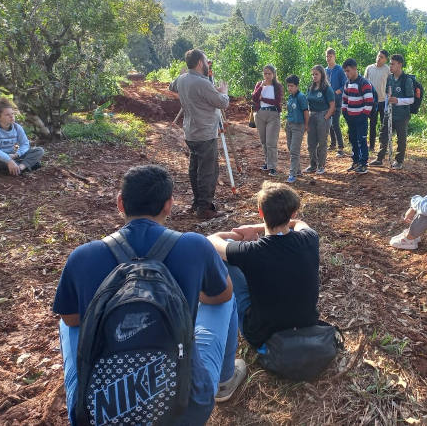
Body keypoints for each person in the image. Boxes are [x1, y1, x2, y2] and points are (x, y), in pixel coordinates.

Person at [52, 165, 246, 424]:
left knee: (67, 323)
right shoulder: (194, 246)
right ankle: (224, 381)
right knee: (225, 293)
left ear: (120, 203)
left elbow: (71, 319)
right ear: (169, 205)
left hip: (98, 415)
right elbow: (219, 297)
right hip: (184, 410)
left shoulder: (82, 257)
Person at [206, 181, 320, 353]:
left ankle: (215, 306)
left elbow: (211, 240)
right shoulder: (310, 238)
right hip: (306, 324)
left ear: (260, 212)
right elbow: (297, 223)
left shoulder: (251, 252)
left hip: (262, 335)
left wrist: (242, 233)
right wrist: (256, 229)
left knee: (223, 253)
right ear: (293, 211)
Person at [169, 49, 230, 219]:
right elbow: (222, 103)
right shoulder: (202, 83)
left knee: (195, 168)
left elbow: (172, 86)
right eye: (205, 60)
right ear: (199, 63)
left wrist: (211, 91)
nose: (207, 64)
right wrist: (223, 91)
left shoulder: (183, 79)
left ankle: (197, 202)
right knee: (207, 171)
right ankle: (204, 207)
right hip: (205, 133)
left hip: (191, 132)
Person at [369, 54, 414, 169]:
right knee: (383, 134)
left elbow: (411, 99)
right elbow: (387, 95)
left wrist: (398, 100)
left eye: (392, 64)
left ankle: (399, 161)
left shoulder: (406, 80)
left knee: (401, 138)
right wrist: (387, 106)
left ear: (400, 64)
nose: (390, 66)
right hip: (389, 112)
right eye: (390, 64)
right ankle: (380, 158)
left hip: (402, 115)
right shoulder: (389, 78)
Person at [0, 97, 44, 175]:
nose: (12, 116)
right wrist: (8, 160)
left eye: (12, 114)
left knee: (39, 151)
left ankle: (20, 168)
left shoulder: (17, 127)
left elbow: (25, 144)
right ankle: (25, 166)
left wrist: (16, 154)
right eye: (7, 115)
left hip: (12, 156)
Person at [341, 58, 374, 174]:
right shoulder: (347, 83)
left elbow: (369, 101)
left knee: (362, 140)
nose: (346, 73)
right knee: (353, 140)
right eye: (345, 71)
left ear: (355, 69)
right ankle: (355, 161)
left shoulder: (364, 83)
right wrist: (345, 112)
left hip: (361, 118)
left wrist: (363, 116)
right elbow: (344, 100)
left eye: (348, 70)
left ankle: (363, 163)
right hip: (350, 118)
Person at [252, 64, 284, 176]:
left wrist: (263, 98)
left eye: (269, 74)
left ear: (274, 74)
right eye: (265, 73)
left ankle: (273, 166)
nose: (267, 76)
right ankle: (267, 162)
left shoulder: (277, 86)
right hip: (260, 114)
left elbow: (277, 101)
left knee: (271, 142)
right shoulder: (259, 84)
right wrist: (261, 87)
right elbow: (254, 98)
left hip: (273, 114)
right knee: (264, 141)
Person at [304, 65, 335, 176]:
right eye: (313, 74)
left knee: (322, 142)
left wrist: (325, 117)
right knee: (311, 143)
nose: (314, 76)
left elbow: (332, 106)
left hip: (323, 115)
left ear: (322, 74)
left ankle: (321, 166)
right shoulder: (310, 87)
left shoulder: (327, 88)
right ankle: (313, 165)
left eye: (316, 74)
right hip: (312, 115)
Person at [284, 75, 309, 184]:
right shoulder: (290, 97)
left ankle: (292, 174)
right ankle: (298, 170)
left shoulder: (301, 97)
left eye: (292, 86)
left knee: (294, 150)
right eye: (288, 86)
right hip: (289, 124)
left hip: (298, 125)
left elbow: (306, 111)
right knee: (290, 147)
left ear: (297, 86)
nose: (290, 88)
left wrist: (306, 125)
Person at [364, 49, 390, 151]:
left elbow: (389, 85)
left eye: (382, 57)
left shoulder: (387, 70)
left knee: (384, 125)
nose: (379, 58)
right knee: (372, 124)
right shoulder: (369, 68)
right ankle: (371, 146)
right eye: (378, 56)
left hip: (383, 101)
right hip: (372, 102)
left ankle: (383, 146)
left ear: (385, 60)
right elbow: (365, 83)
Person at [324, 48, 347, 157]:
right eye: (327, 56)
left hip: (337, 101)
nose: (328, 58)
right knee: (329, 123)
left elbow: (345, 83)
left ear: (334, 56)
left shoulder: (339, 70)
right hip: (327, 102)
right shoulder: (325, 70)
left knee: (335, 123)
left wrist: (339, 90)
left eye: (330, 56)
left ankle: (341, 147)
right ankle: (333, 143)